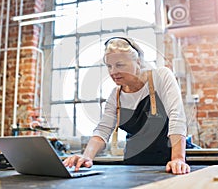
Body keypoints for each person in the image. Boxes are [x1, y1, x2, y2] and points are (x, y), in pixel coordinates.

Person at [63, 36, 190, 174]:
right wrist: (86, 156)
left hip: (169, 161)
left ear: (138, 61)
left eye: (119, 65)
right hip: (134, 164)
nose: (113, 72)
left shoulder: (161, 76)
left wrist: (178, 158)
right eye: (109, 66)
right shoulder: (115, 96)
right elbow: (102, 130)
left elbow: (176, 116)